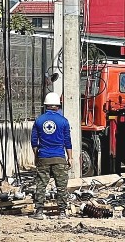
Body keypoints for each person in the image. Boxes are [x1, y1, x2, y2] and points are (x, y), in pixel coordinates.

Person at [31, 91, 73, 219]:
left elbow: (34, 141)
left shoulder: (39, 121)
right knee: (61, 187)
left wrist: (36, 156)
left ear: (46, 105)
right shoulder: (63, 121)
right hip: (59, 158)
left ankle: (39, 212)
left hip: (43, 157)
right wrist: (70, 157)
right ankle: (62, 212)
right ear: (58, 106)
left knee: (41, 185)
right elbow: (67, 141)